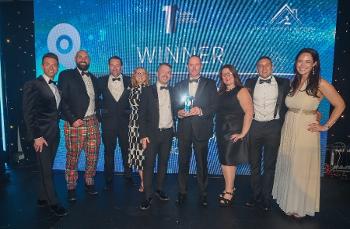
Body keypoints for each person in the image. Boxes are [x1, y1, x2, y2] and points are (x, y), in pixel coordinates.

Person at [272, 48, 345, 218]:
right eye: (300, 61)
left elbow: (340, 104)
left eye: (307, 61)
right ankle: (286, 200)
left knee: (300, 168)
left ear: (315, 64)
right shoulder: (294, 81)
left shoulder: (320, 83)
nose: (302, 65)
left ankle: (300, 206)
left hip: (306, 129)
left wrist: (326, 126)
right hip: (289, 126)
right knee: (289, 165)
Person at [22, 52, 68, 216]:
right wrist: (36, 136)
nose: (51, 67)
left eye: (54, 65)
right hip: (41, 137)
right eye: (48, 64)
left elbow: (56, 111)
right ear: (42, 66)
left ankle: (42, 197)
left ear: (57, 67)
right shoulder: (33, 84)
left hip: (54, 135)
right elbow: (28, 113)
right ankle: (54, 203)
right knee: (47, 171)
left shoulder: (55, 86)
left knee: (45, 168)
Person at [245, 56, 290, 211]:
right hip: (255, 126)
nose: (264, 68)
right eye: (260, 66)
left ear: (272, 67)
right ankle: (255, 195)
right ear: (257, 68)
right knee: (254, 164)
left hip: (274, 126)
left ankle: (266, 197)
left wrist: (315, 112)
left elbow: (292, 102)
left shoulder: (284, 83)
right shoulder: (249, 83)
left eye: (267, 65)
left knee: (270, 165)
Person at [174, 55, 218, 207]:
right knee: (183, 163)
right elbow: (174, 106)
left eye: (196, 65)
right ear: (187, 66)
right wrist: (179, 113)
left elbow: (214, 106)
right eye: (191, 65)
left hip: (202, 130)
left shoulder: (210, 84)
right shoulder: (179, 85)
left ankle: (203, 193)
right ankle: (182, 192)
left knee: (202, 164)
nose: (193, 68)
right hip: (184, 130)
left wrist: (200, 110)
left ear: (201, 66)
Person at [58, 50, 101, 202]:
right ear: (75, 59)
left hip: (93, 121)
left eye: (86, 57)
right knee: (73, 156)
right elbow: (61, 100)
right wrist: (72, 119)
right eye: (80, 57)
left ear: (89, 60)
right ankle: (71, 186)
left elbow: (98, 100)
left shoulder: (94, 79)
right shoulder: (66, 75)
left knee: (93, 155)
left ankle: (89, 181)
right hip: (75, 123)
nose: (83, 59)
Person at [138, 63, 175, 210]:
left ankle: (159, 189)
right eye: (163, 72)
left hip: (168, 133)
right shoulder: (148, 91)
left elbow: (178, 108)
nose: (166, 75)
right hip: (151, 134)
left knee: (163, 163)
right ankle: (147, 196)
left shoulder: (173, 90)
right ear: (157, 73)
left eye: (169, 72)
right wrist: (143, 135)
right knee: (148, 165)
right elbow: (141, 115)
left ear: (171, 75)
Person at [216, 64, 253, 207]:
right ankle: (229, 187)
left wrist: (243, 133)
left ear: (234, 75)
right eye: (224, 74)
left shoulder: (242, 91)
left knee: (229, 162)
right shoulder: (221, 92)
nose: (226, 76)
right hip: (221, 132)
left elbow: (249, 112)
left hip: (233, 133)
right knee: (224, 162)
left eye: (229, 74)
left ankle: (229, 191)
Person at [99, 56, 132, 190]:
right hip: (108, 124)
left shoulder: (130, 81)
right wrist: (100, 114)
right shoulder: (100, 81)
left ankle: (128, 175)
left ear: (122, 67)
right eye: (112, 65)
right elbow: (93, 98)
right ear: (108, 66)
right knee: (108, 152)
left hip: (126, 123)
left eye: (117, 65)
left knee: (126, 151)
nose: (115, 68)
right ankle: (108, 178)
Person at [127, 67, 149, 192]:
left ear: (146, 76)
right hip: (133, 126)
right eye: (138, 73)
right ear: (134, 75)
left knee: (145, 155)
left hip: (145, 126)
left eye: (143, 73)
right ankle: (143, 181)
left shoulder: (151, 90)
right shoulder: (130, 90)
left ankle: (147, 181)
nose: (140, 75)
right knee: (138, 155)